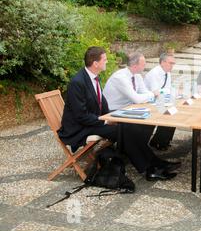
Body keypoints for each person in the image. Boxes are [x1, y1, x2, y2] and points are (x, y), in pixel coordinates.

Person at [58, 47, 178, 182]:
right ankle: (149, 169)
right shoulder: (78, 82)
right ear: (95, 63)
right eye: (104, 59)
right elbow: (81, 116)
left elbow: (102, 104)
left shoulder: (92, 78)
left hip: (93, 121)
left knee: (129, 127)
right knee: (126, 130)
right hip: (78, 128)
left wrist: (111, 117)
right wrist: (106, 120)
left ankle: (155, 163)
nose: (107, 61)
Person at [144, 53, 176, 151]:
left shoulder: (167, 73)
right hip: (149, 102)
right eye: (171, 63)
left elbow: (168, 89)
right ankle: (159, 142)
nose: (172, 65)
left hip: (160, 101)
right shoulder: (154, 73)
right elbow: (156, 92)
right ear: (162, 62)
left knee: (174, 112)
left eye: (173, 63)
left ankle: (162, 141)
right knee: (169, 113)